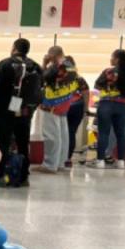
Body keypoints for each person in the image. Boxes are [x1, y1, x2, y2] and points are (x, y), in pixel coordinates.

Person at [0, 38, 42, 187]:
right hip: (25, 112)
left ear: (14, 48)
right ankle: (24, 176)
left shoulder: (5, 64)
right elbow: (40, 90)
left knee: (3, 143)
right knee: (23, 144)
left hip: (6, 112)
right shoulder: (36, 66)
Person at [34, 46, 79, 174]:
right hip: (64, 104)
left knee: (51, 136)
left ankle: (49, 165)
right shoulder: (70, 66)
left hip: (51, 105)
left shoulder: (56, 66)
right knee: (62, 136)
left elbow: (42, 79)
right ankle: (60, 163)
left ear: (53, 55)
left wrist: (44, 63)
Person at [88, 49, 125, 169]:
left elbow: (97, 86)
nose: (110, 59)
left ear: (117, 59)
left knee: (103, 133)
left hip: (106, 104)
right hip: (122, 105)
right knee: (121, 134)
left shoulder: (108, 71)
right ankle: (121, 162)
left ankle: (100, 161)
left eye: (112, 57)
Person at [64, 56, 89, 167]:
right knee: (71, 132)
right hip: (78, 106)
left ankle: (61, 157)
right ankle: (68, 158)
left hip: (64, 107)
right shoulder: (79, 79)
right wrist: (85, 109)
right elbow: (86, 94)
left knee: (62, 133)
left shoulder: (60, 78)